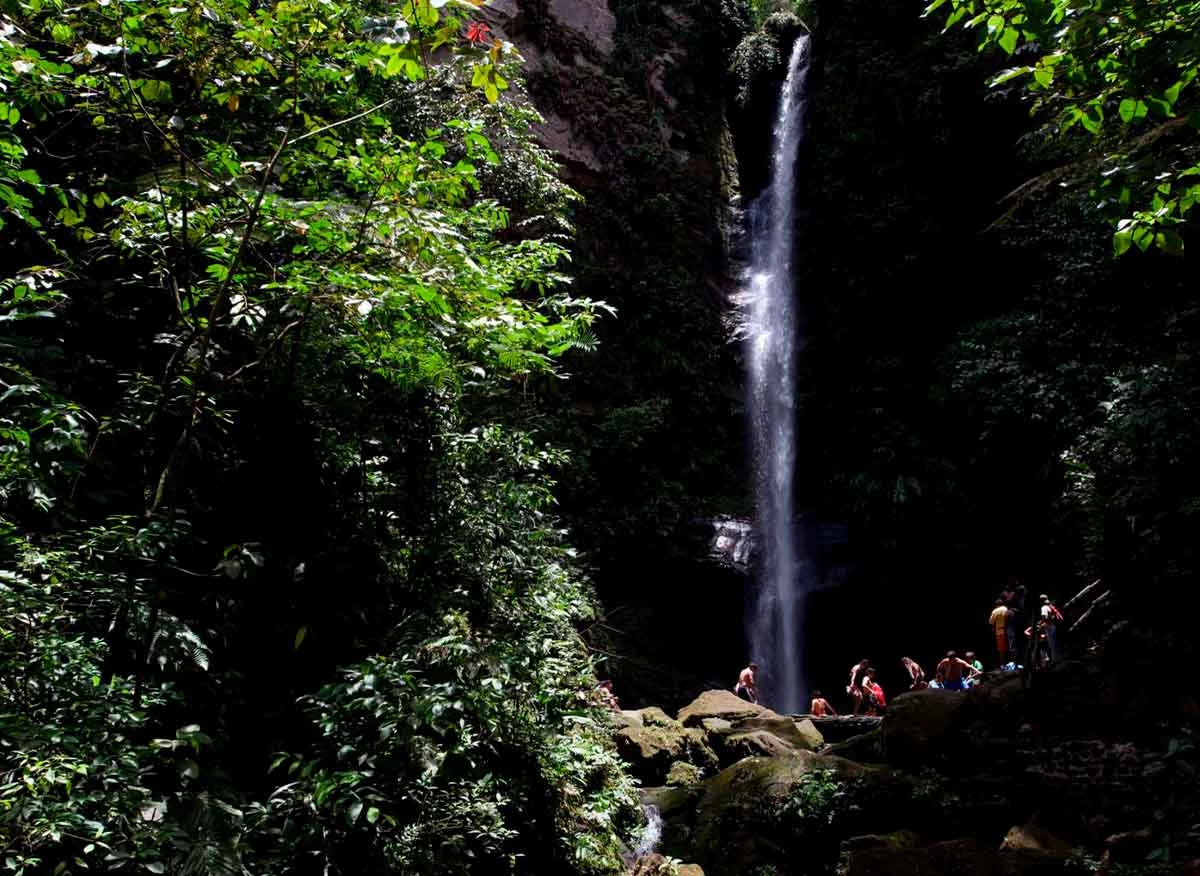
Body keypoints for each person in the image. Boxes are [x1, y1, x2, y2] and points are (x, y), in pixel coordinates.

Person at [1039, 594, 1064, 662]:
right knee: (1056, 644)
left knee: (1052, 645)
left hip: (1050, 628)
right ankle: (1059, 659)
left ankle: (1055, 661)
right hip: (1055, 627)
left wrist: (1042, 624)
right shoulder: (1051, 606)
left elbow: (1045, 617)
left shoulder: (1044, 607)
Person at [989, 598, 1010, 662]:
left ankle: (1002, 664)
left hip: (999, 632)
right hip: (1009, 630)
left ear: (997, 605)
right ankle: (1010, 662)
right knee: (1009, 647)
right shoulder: (1006, 609)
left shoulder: (995, 610)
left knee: (1001, 649)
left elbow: (991, 621)